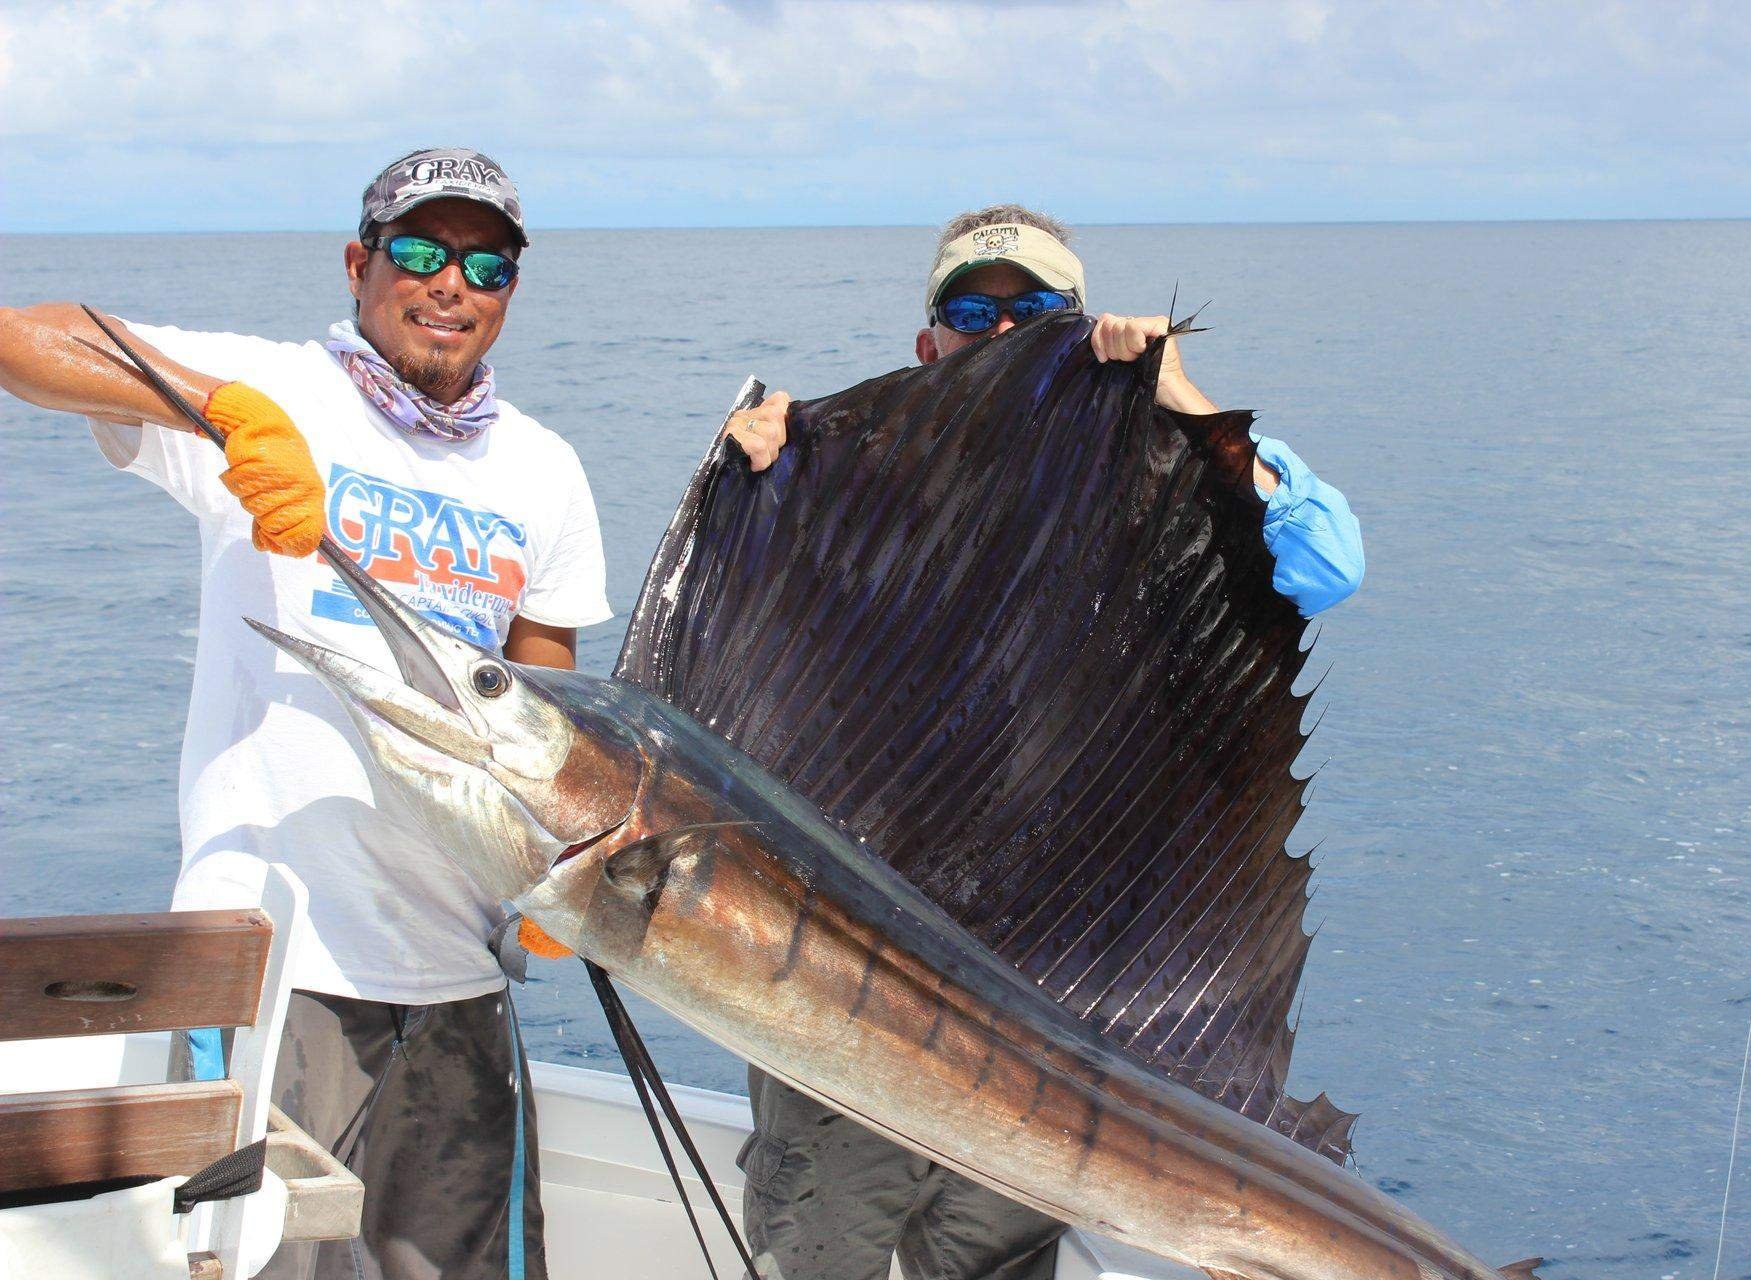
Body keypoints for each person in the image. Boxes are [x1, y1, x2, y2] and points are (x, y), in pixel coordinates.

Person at [719, 204, 1364, 1280]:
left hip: (1043, 993)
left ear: (1081, 323)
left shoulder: (1157, 462)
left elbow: (1326, 562)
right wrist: (757, 467)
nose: (1005, 333)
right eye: (975, 313)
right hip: (851, 982)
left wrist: (1176, 393)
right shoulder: (850, 481)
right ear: (930, 346)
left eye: (1039, 311)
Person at [0, 148, 610, 1280]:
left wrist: (552, 897)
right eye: (420, 250)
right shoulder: (275, 388)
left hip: (460, 975)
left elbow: (551, 715)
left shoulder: (545, 470)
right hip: (274, 971)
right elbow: (22, 340)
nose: (452, 284)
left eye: (489, 263)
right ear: (359, 262)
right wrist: (220, 412)